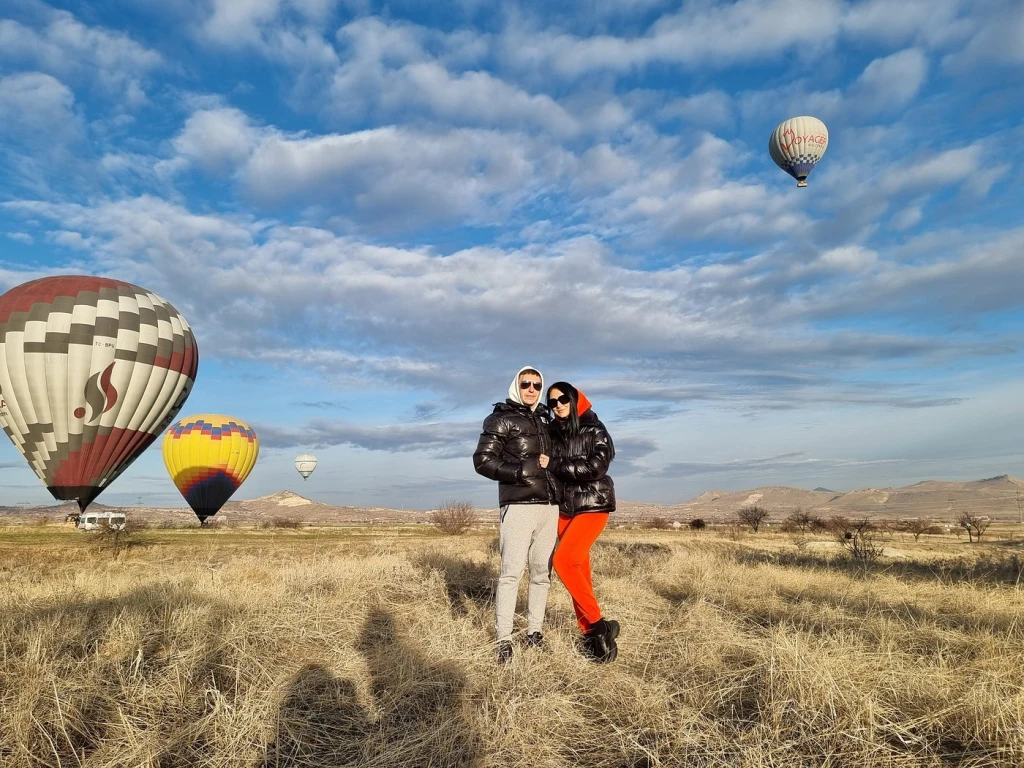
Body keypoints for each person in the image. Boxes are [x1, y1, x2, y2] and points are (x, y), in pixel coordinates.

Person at [473, 366, 560, 664]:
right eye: (526, 384)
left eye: (537, 384)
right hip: (518, 505)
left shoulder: (546, 420)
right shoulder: (501, 418)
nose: (532, 389)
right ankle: (504, 640)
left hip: (549, 507)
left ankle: (535, 632)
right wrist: (520, 471)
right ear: (516, 386)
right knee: (511, 573)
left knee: (541, 574)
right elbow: (482, 461)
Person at [545, 381, 620, 663]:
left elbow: (595, 467)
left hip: (592, 503)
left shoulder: (594, 429)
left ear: (575, 399)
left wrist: (554, 465)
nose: (558, 406)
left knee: (563, 560)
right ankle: (590, 633)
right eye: (552, 402)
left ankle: (599, 627)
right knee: (579, 571)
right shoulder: (551, 431)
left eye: (563, 399)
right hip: (564, 508)